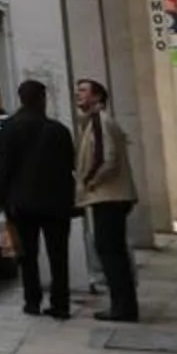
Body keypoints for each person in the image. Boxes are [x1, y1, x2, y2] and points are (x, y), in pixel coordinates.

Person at [0, 79, 79, 320]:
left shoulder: (9, 128)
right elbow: (71, 165)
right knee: (58, 255)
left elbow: (4, 167)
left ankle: (32, 301)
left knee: (25, 255)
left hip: (20, 204)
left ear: (21, 99)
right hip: (56, 203)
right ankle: (60, 304)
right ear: (42, 99)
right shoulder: (59, 130)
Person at [73, 77, 140, 322]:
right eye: (78, 91)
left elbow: (105, 158)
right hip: (109, 195)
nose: (78, 95)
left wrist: (90, 181)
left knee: (110, 252)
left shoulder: (100, 122)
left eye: (83, 91)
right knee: (111, 251)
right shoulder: (94, 123)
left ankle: (123, 307)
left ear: (97, 97)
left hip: (109, 196)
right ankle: (122, 305)